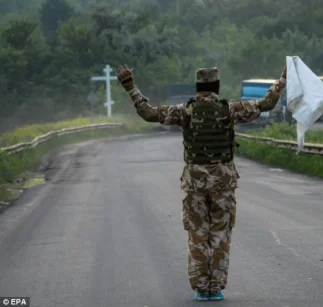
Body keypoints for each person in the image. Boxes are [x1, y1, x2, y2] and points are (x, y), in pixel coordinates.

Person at [117, 64, 287, 301]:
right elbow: (266, 104)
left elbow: (148, 113)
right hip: (223, 184)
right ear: (217, 86)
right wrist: (281, 81)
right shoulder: (231, 110)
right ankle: (215, 288)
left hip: (194, 184)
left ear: (197, 86)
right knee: (220, 235)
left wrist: (131, 88)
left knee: (197, 235)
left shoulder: (184, 111)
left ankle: (200, 288)